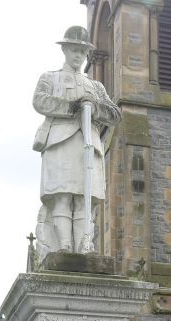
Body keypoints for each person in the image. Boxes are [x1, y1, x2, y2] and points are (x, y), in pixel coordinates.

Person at [32, 26, 121, 258]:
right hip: (60, 142)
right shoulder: (49, 78)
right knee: (62, 196)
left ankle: (84, 246)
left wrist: (94, 106)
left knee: (85, 199)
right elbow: (39, 101)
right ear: (65, 50)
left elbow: (114, 115)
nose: (78, 56)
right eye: (74, 50)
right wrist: (72, 106)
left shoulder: (96, 87)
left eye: (82, 51)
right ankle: (63, 246)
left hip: (88, 145)